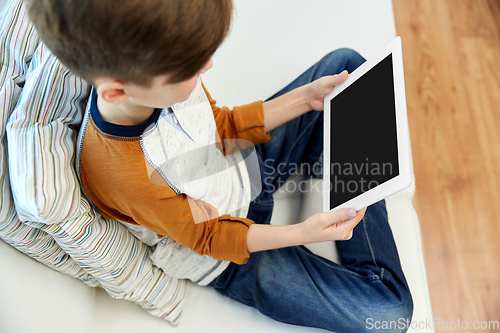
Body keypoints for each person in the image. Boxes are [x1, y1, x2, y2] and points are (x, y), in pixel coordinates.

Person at [26, 0, 413, 331]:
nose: (207, 67)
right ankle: (330, 174)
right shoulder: (119, 172)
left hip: (243, 169)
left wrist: (304, 99)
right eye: (191, 69)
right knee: (389, 312)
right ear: (117, 91)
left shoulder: (164, 72)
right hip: (227, 255)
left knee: (348, 69)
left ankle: (337, 177)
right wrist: (302, 232)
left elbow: (221, 127)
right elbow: (212, 238)